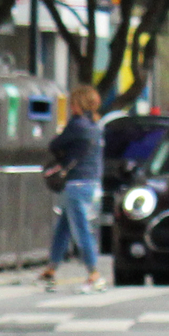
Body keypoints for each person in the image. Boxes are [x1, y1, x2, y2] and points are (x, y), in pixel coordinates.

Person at [40, 86, 105, 290]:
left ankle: (94, 273)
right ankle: (51, 269)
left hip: (76, 184)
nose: (70, 106)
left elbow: (55, 144)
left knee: (81, 230)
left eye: (72, 102)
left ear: (78, 104)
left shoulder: (76, 125)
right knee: (64, 227)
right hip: (92, 182)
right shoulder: (96, 126)